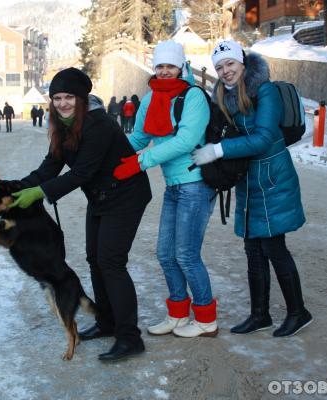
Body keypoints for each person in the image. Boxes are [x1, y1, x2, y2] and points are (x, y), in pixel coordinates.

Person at [8, 67, 151, 361]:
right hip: (100, 198)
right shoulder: (62, 127)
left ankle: (130, 337)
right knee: (94, 260)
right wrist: (14, 190)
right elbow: (49, 167)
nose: (62, 103)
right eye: (57, 98)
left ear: (82, 98)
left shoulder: (98, 124)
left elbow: (83, 172)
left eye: (69, 97)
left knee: (111, 261)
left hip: (125, 196)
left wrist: (41, 193)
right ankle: (107, 321)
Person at [191, 40, 312, 337]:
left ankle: (299, 312)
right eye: (219, 67)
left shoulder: (265, 90)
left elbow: (262, 138)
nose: (225, 71)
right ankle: (260, 314)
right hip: (248, 178)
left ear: (242, 62)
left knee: (273, 246)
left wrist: (218, 151)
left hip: (272, 177)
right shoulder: (224, 95)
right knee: (252, 249)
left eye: (230, 64)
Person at [114, 40, 218, 338]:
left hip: (195, 184)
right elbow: (138, 137)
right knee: (165, 254)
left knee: (186, 255)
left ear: (181, 66)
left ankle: (206, 319)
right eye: (159, 66)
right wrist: (111, 158)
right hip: (174, 187)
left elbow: (186, 141)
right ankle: (177, 314)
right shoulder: (151, 98)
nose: (164, 71)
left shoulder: (193, 96)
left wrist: (141, 162)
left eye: (170, 66)